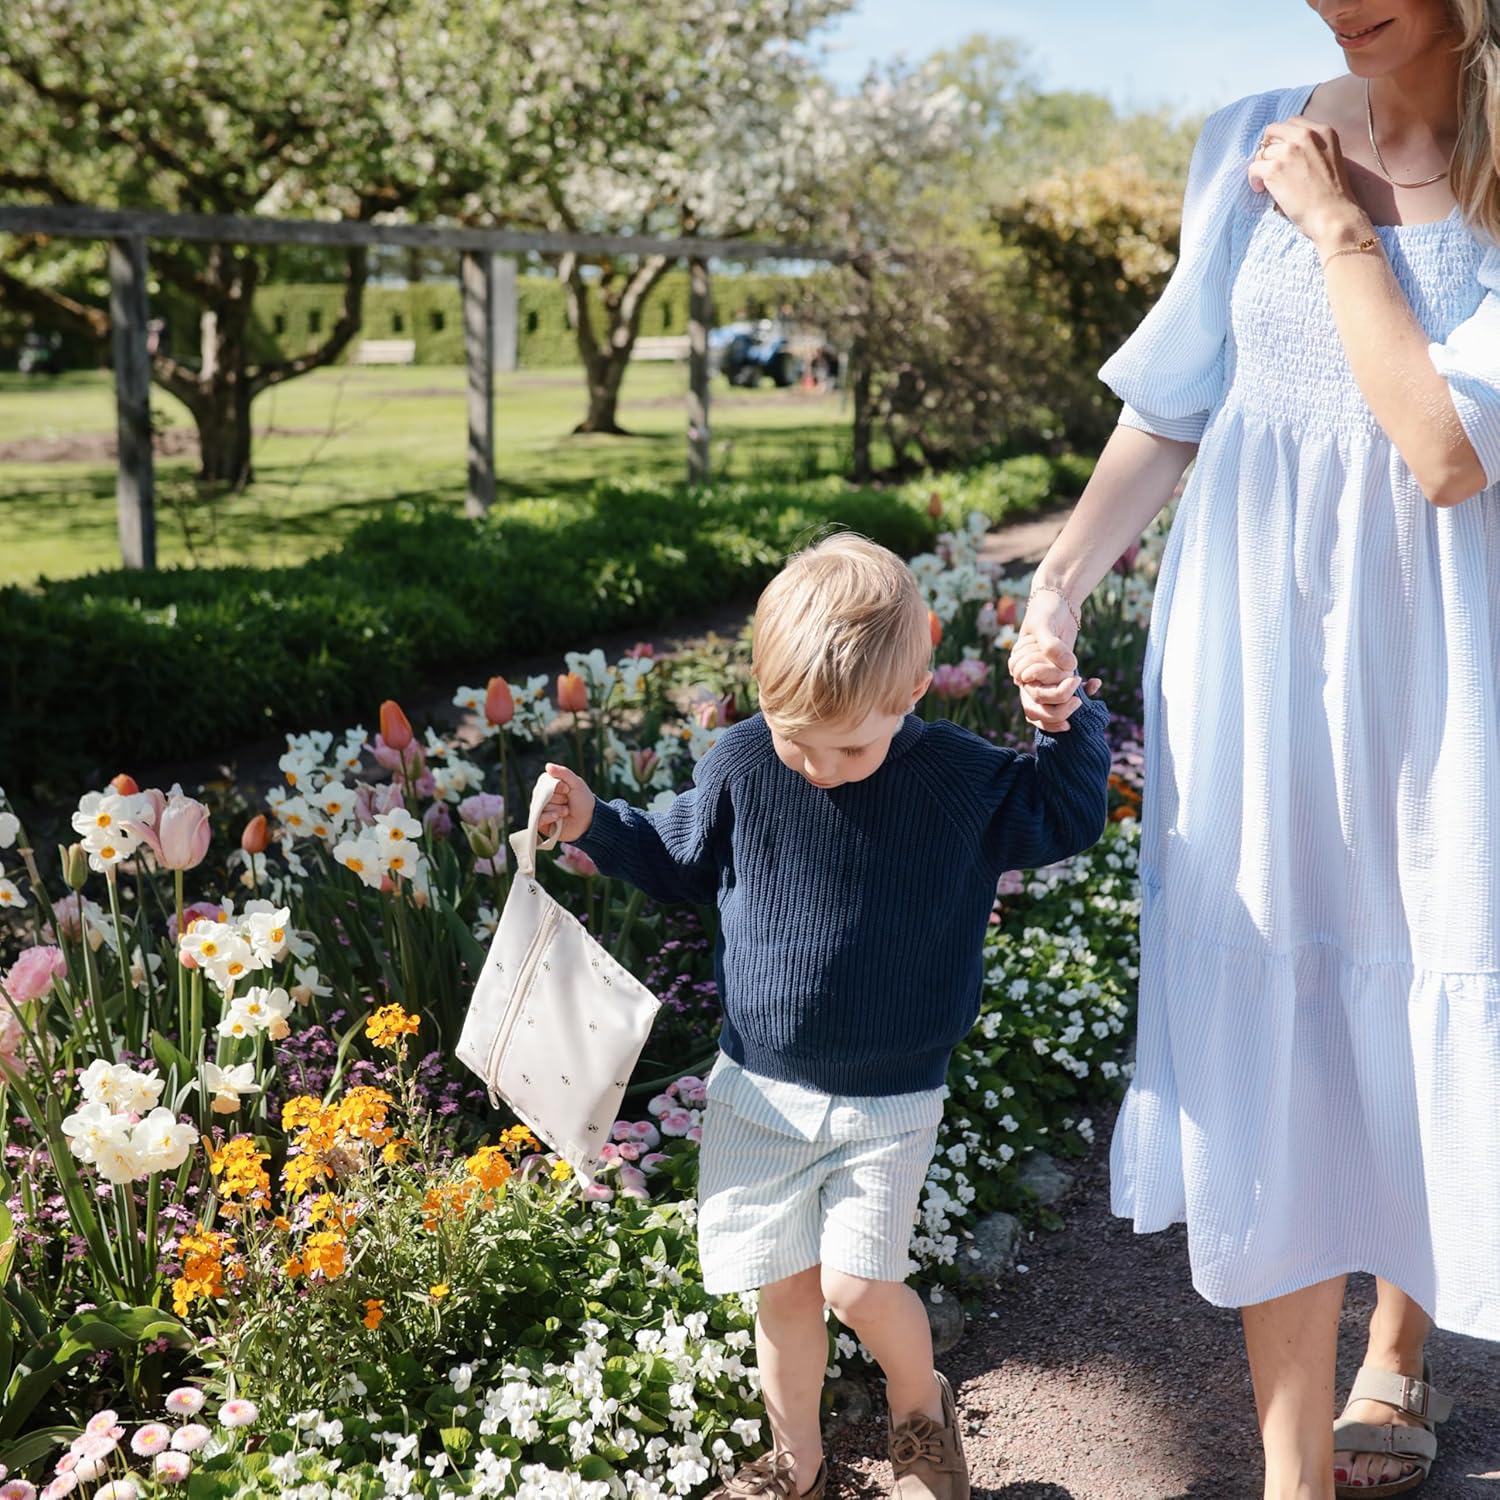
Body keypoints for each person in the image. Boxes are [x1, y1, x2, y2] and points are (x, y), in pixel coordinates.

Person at [1007, 3, 1500, 1498]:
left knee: (1424, 964)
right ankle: (1292, 1472)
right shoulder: (1246, 138)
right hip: (1255, 649)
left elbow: (1444, 449)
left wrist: (1338, 229)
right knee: (1271, 994)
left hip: (1443, 659)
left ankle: (1399, 1339)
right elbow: (1174, 403)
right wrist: (1059, 584)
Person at [542, 533, 1111, 1500]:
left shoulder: (956, 779)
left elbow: (1066, 814)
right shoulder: (745, 762)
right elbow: (678, 855)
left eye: (849, 746)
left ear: (914, 691)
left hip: (891, 1096)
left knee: (856, 1286)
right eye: (794, 737)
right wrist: (596, 820)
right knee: (784, 1291)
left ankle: (919, 1405)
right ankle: (795, 1460)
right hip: (758, 1089)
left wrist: (1066, 719)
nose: (816, 766)